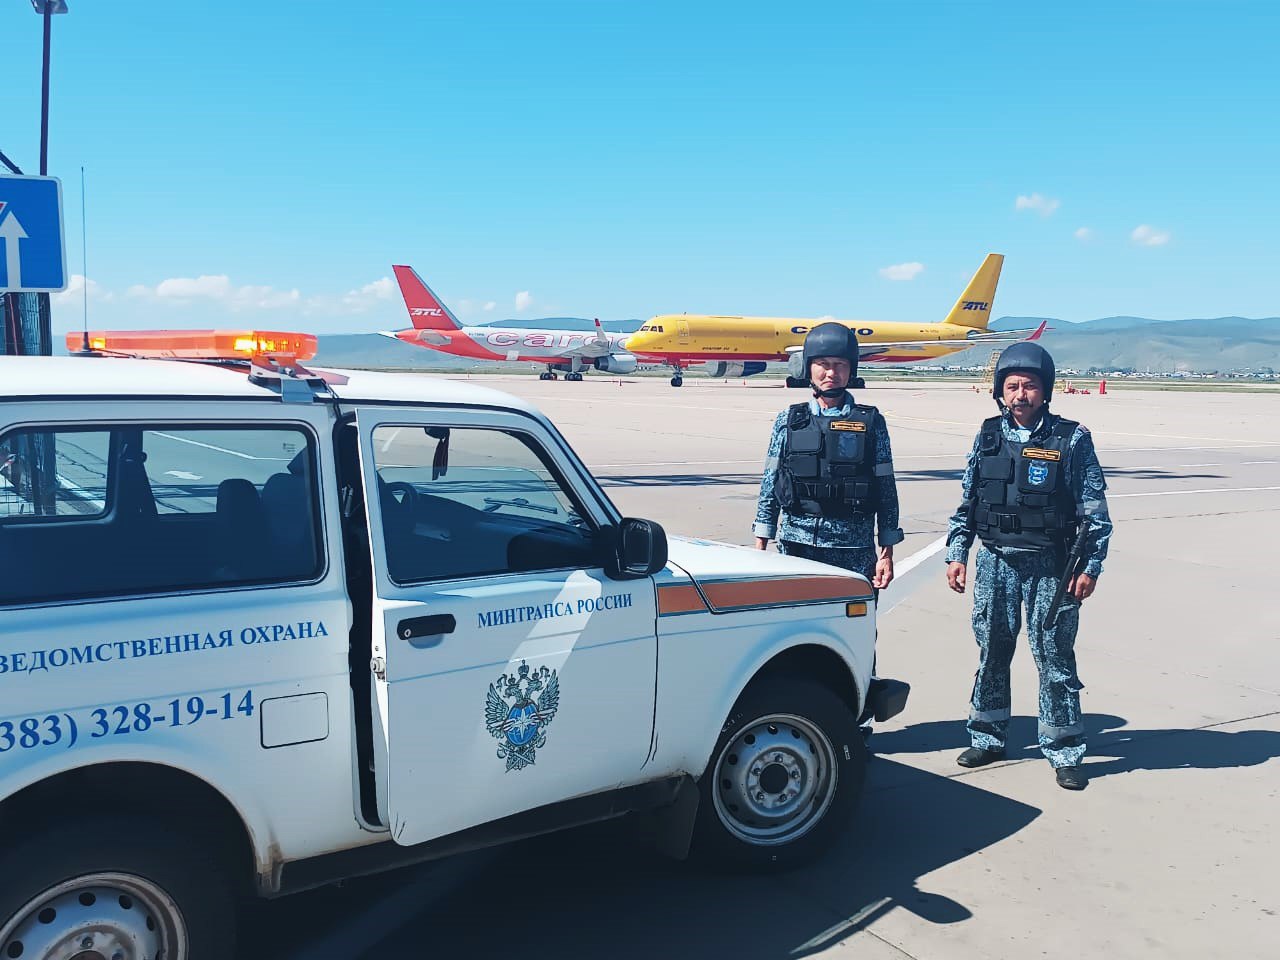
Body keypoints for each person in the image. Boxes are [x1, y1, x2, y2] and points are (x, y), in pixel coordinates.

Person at [944, 341, 1113, 791]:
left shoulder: (1072, 439)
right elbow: (968, 501)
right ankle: (988, 736)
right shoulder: (987, 435)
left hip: (1051, 565)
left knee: (1054, 657)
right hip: (995, 561)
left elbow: (1094, 512)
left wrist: (1090, 566)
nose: (1020, 394)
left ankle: (1064, 749)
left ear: (1045, 390)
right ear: (1000, 391)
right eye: (1012, 386)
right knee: (992, 652)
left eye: (1030, 386)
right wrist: (957, 553)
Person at [754, 322, 904, 738]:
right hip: (796, 546)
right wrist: (761, 541)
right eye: (822, 364)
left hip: (852, 549)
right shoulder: (789, 419)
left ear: (851, 369)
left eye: (839, 364)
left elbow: (886, 487)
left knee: (856, 638)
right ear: (809, 368)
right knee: (791, 637)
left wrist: (887, 550)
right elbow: (770, 480)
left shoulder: (871, 422)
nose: (830, 372)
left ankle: (857, 723)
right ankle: (798, 717)